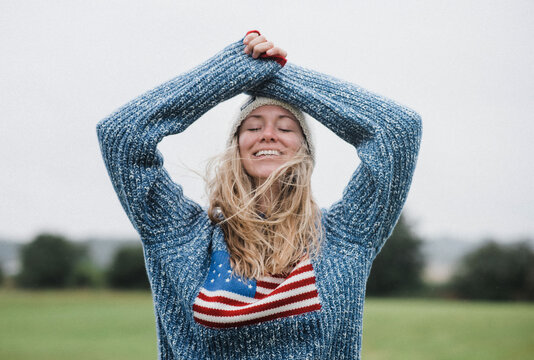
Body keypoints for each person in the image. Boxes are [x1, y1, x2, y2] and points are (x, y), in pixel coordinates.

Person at [97, 30, 422, 360]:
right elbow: (121, 135)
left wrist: (277, 75)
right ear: (236, 147)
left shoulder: (344, 237)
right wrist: (234, 71)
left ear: (304, 151)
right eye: (252, 127)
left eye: (285, 128)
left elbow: (397, 131)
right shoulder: (183, 238)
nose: (268, 134)